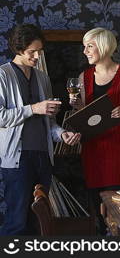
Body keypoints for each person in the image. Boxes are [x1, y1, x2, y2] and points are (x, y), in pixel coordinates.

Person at [0, 24, 80, 235]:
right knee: (17, 222)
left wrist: (62, 134)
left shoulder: (42, 78)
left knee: (40, 224)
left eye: (39, 51)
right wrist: (34, 108)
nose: (37, 56)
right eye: (31, 52)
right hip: (17, 160)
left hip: (44, 157)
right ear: (18, 49)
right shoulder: (3, 75)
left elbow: (49, 123)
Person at [69, 27, 120, 234]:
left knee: (118, 207)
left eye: (89, 46)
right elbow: (84, 116)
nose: (85, 51)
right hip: (92, 148)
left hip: (117, 148)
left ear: (103, 46)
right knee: (96, 205)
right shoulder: (84, 76)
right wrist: (76, 106)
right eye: (84, 47)